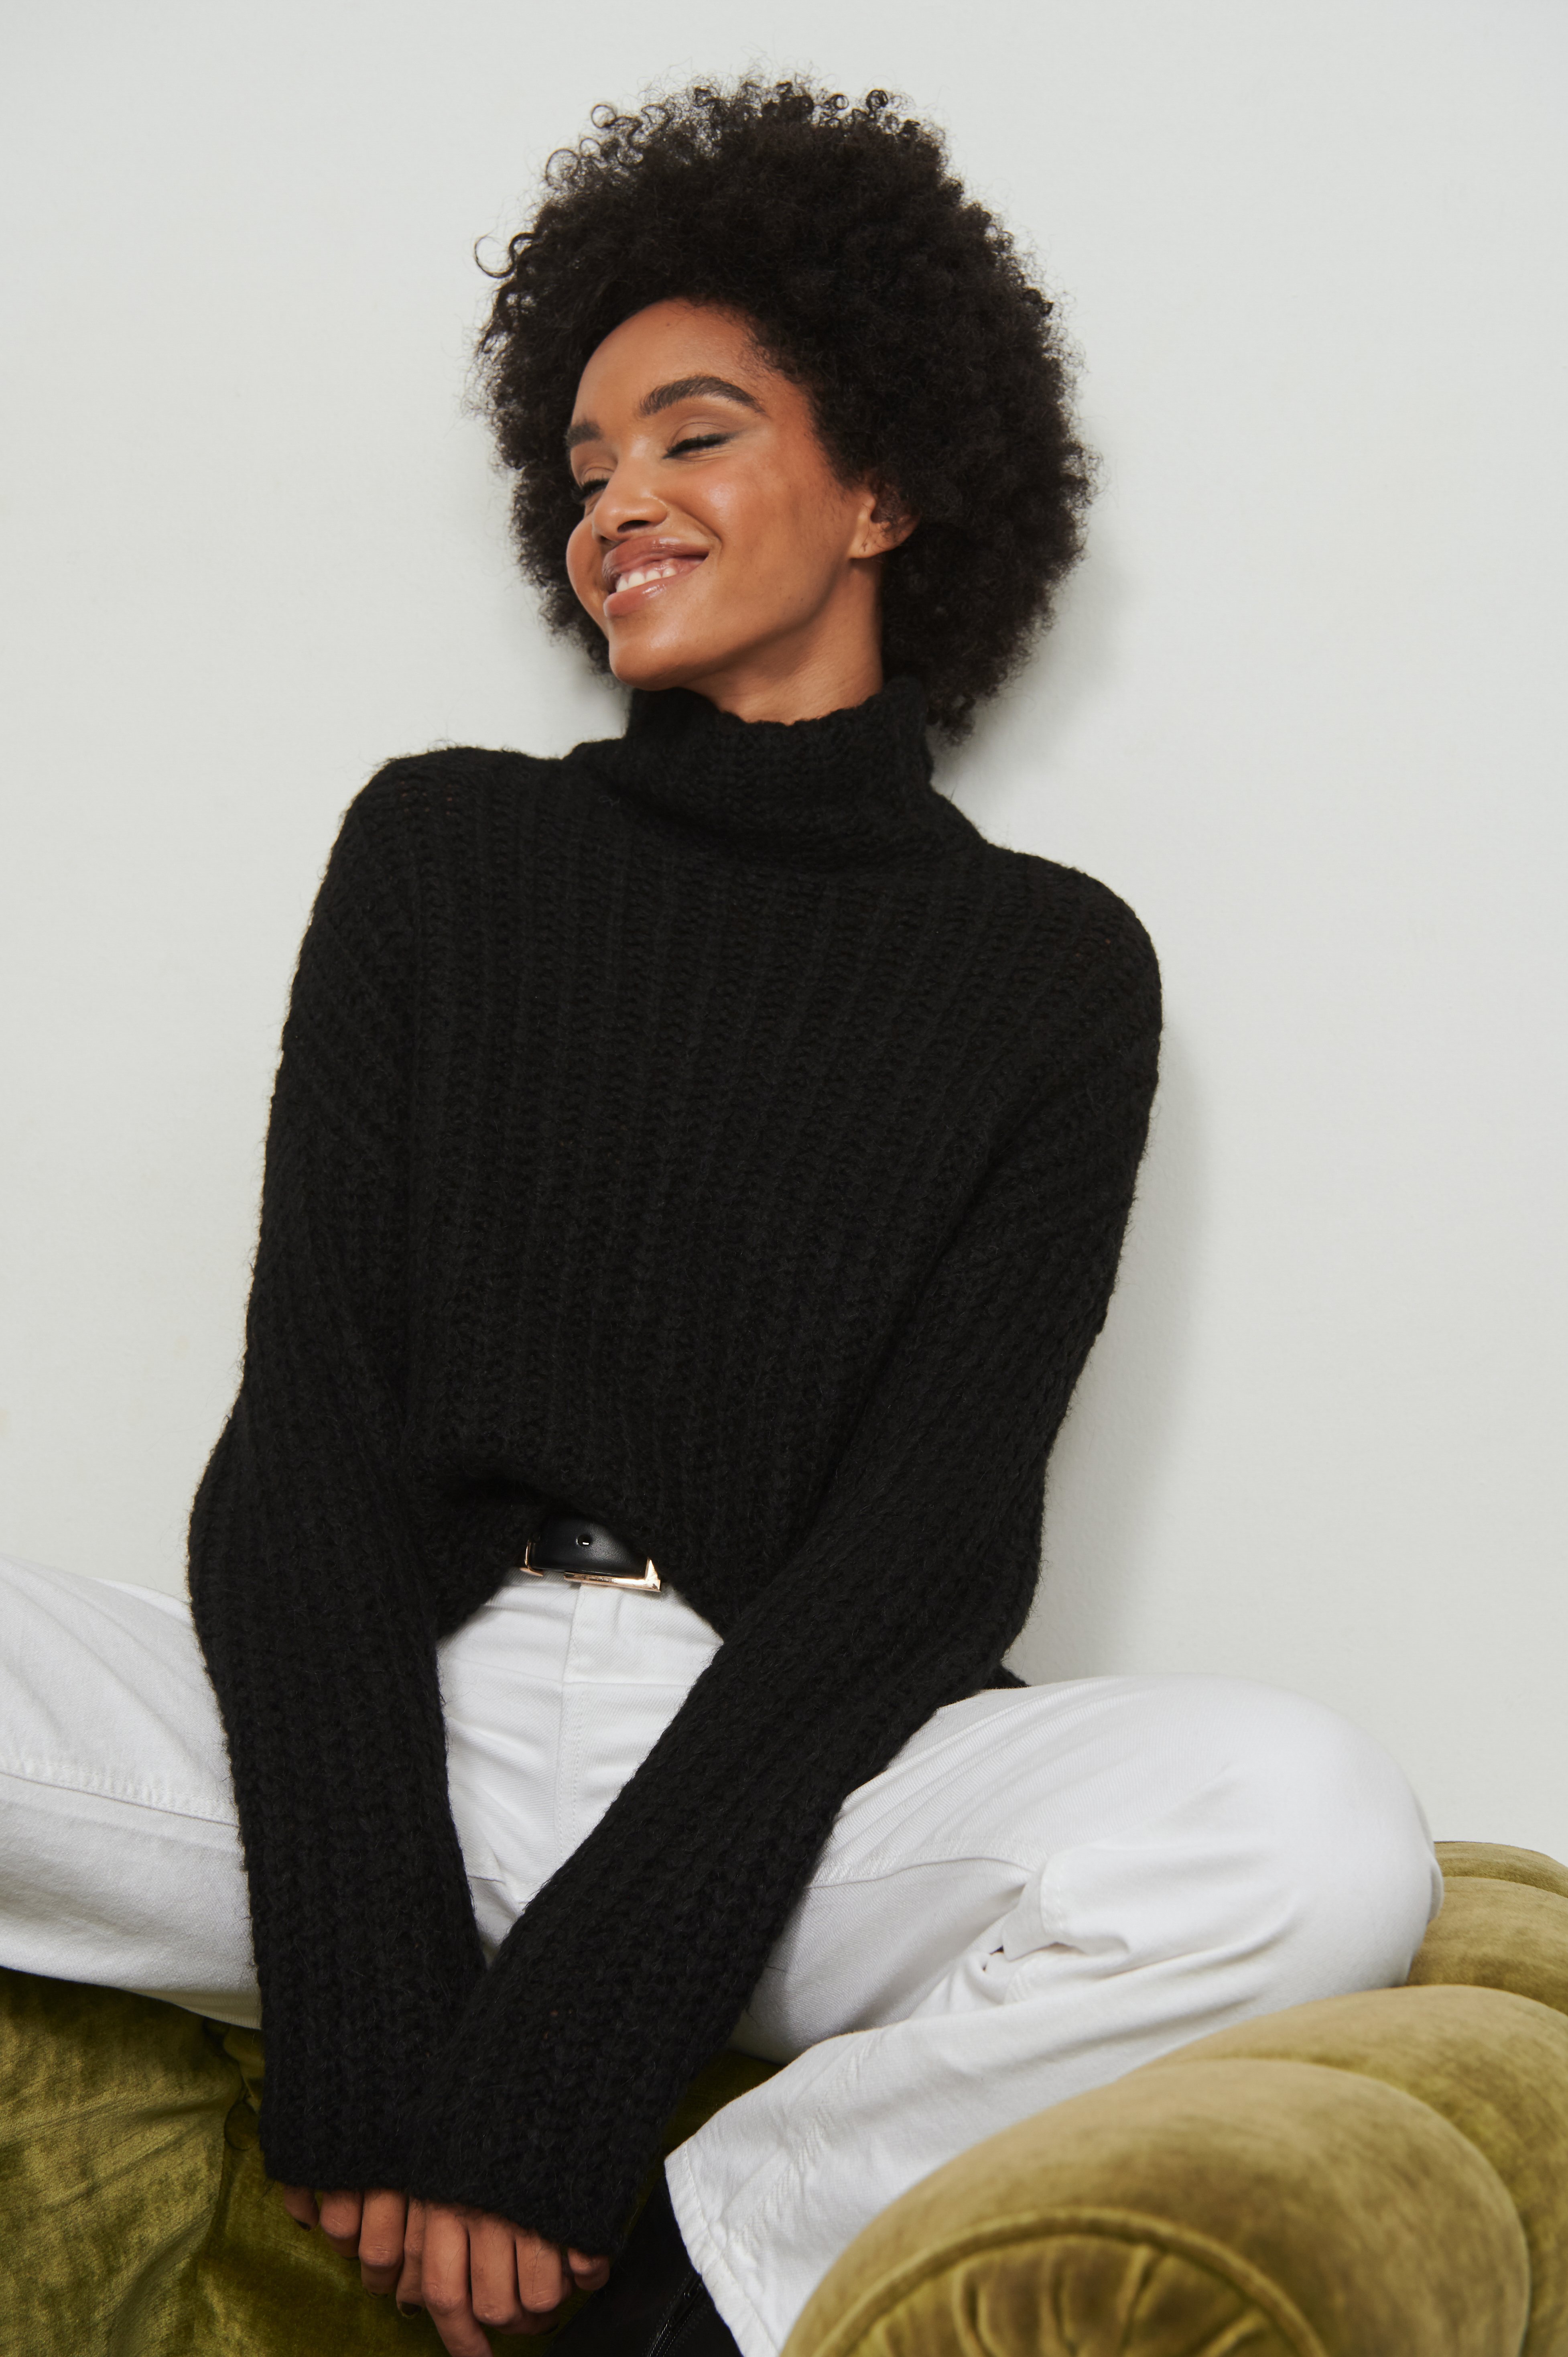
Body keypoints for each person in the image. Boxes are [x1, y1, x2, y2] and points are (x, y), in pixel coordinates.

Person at [0, 79, 1440, 2357]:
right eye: (585, 468)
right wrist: (371, 2002)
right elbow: (311, 1440)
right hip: (392, 1703)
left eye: (693, 435)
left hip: (790, 1775)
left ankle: (692, 2289)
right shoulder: (442, 852)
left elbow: (926, 1555)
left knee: (1320, 1832)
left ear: (883, 489)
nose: (620, 506)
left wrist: (567, 2065)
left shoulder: (1053, 970)